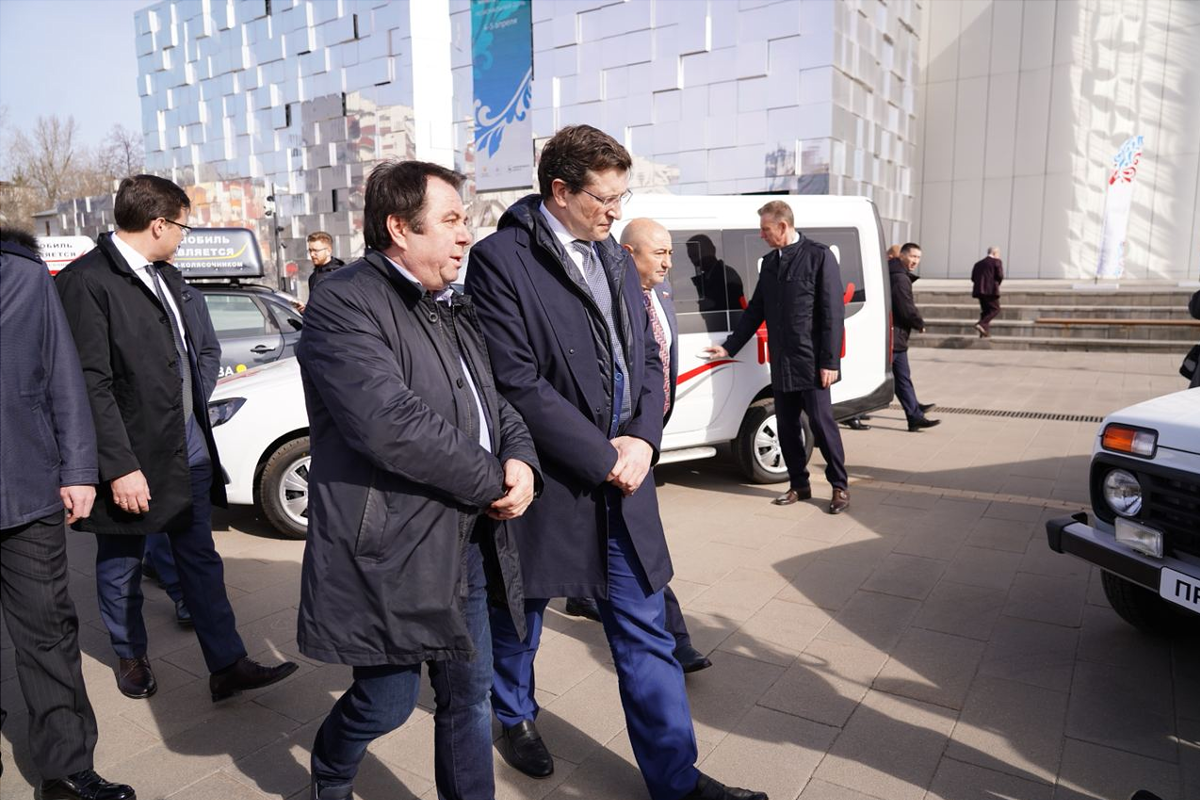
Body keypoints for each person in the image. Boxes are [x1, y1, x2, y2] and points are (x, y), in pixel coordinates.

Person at [467, 124, 765, 800]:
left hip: (626, 477)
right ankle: (514, 715)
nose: (614, 212)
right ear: (560, 190)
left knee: (647, 631)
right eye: (604, 198)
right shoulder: (501, 260)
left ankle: (677, 782)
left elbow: (649, 357)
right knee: (522, 616)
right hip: (549, 480)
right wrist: (603, 455)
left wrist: (644, 440)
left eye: (621, 198)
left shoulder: (612, 255)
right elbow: (515, 380)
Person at [297, 160, 541, 800]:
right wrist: (493, 480)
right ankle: (331, 770)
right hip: (393, 547)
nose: (467, 234)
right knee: (388, 703)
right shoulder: (344, 301)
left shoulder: (451, 303)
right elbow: (389, 423)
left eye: (467, 219)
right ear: (399, 228)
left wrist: (521, 459)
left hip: (466, 537)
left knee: (471, 695)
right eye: (452, 219)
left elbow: (493, 399)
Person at [55, 174, 297, 703]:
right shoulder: (86, 281)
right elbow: (89, 385)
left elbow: (199, 351)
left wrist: (190, 404)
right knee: (121, 565)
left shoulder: (169, 276)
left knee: (200, 560)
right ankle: (130, 654)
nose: (186, 237)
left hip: (188, 450)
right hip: (131, 460)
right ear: (159, 223)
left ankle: (227, 664)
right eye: (184, 226)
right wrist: (119, 467)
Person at [1, 228, 137, 800]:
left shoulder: (21, 273)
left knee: (49, 633)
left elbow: (62, 374)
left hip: (24, 487)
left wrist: (79, 469)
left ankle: (66, 770)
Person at [563, 219, 713, 674]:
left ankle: (583, 593)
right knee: (643, 551)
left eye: (671, 253)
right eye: (659, 253)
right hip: (616, 445)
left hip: (649, 434)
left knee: (623, 543)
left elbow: (656, 366)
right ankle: (676, 641)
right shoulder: (606, 301)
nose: (668, 263)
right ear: (628, 254)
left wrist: (652, 431)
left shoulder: (661, 295)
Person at [704, 200, 850, 515]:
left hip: (813, 362)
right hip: (782, 361)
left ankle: (839, 486)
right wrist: (729, 347)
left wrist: (830, 362)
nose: (761, 235)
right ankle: (799, 485)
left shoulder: (818, 256)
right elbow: (756, 310)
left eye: (765, 229)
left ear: (783, 226)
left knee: (822, 425)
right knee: (786, 426)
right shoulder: (771, 262)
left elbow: (832, 314)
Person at [140, 280, 220, 629]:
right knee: (161, 514)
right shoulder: (132, 294)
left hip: (189, 425)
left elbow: (209, 351)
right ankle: (180, 592)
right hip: (151, 426)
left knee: (193, 517)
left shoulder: (191, 296)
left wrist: (195, 395)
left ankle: (196, 593)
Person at [890, 243, 939, 432]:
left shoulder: (897, 274)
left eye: (918, 258)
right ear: (902, 255)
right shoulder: (900, 278)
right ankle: (853, 414)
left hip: (896, 337)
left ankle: (915, 416)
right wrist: (919, 323)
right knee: (899, 378)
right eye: (912, 256)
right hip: (893, 337)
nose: (915, 261)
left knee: (902, 378)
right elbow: (905, 307)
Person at [971, 246, 1004, 337]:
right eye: (998, 253)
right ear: (994, 253)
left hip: (979, 291)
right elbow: (1000, 275)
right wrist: (997, 284)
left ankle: (984, 333)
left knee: (985, 311)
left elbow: (973, 278)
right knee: (995, 309)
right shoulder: (996, 262)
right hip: (991, 290)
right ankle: (981, 324)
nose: (999, 255)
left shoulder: (978, 264)